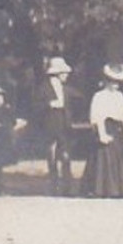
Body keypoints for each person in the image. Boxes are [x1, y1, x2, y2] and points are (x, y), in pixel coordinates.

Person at [85, 64, 123, 199]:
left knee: (121, 157)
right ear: (107, 81)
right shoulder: (99, 96)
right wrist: (101, 134)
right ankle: (104, 188)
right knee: (105, 157)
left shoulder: (119, 96)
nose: (116, 85)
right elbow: (97, 116)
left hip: (117, 128)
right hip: (105, 126)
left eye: (117, 82)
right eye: (113, 82)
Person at [35, 57, 75, 193]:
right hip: (50, 124)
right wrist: (49, 104)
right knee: (51, 154)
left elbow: (77, 100)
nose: (66, 75)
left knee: (66, 155)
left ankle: (67, 186)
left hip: (64, 125)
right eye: (64, 73)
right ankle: (54, 183)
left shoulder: (66, 89)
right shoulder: (43, 88)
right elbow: (36, 107)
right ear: (57, 74)